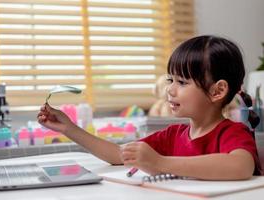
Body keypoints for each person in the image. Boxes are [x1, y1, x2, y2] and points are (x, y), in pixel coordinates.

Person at [37, 35, 262, 180]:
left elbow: (240, 166)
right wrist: (69, 129)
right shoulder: (173, 135)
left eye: (182, 82)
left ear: (217, 91)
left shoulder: (232, 133)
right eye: (170, 80)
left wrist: (161, 163)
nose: (170, 90)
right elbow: (118, 154)